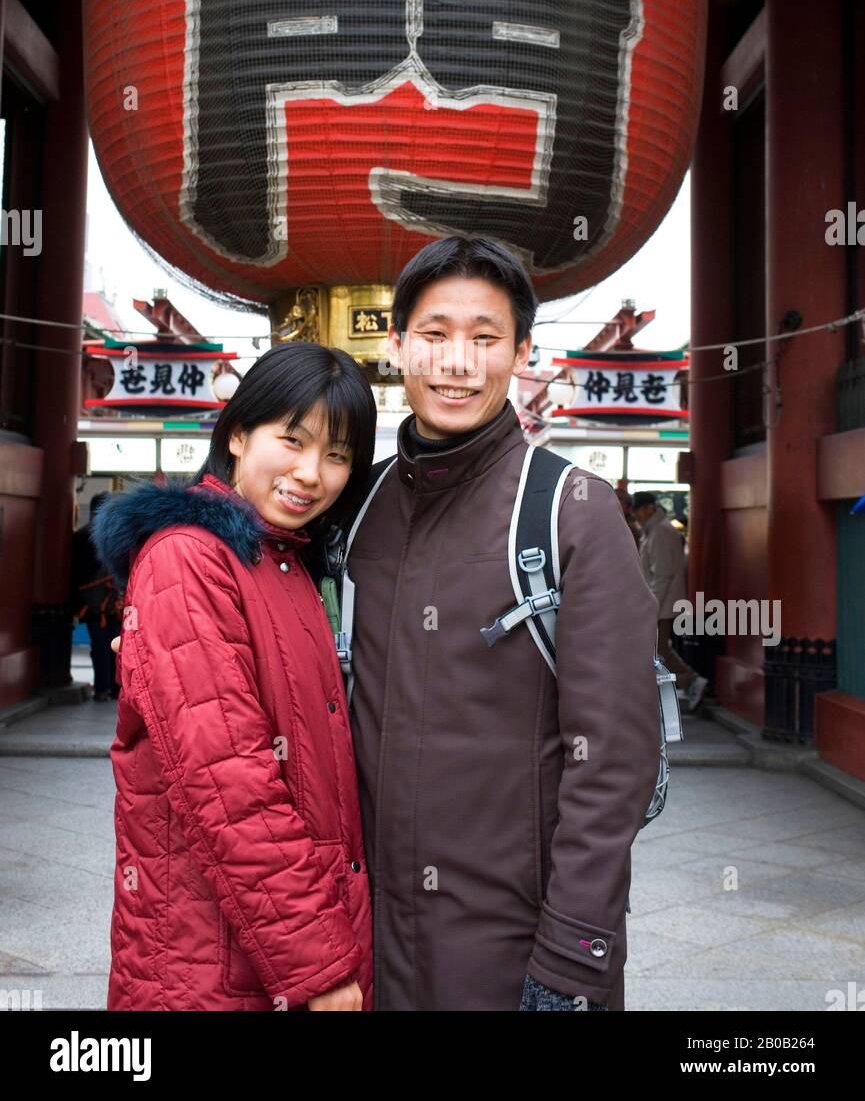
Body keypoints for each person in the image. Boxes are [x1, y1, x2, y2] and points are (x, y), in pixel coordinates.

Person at [342, 235, 660, 1011]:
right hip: (368, 949)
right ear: (396, 345)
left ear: (520, 351)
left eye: (485, 338)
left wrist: (570, 963)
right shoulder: (359, 507)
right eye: (434, 334)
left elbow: (614, 760)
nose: (457, 362)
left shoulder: (569, 509)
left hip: (515, 954)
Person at [92, 342, 376, 1011]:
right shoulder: (189, 559)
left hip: (262, 948)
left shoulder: (283, 560)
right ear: (238, 434)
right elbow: (231, 786)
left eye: (337, 456)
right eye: (293, 439)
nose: (311, 473)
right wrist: (320, 967)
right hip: (210, 962)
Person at [631, 491, 707, 714]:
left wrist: (650, 606)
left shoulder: (660, 532)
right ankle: (690, 681)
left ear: (648, 508)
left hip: (662, 605)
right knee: (659, 649)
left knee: (657, 652)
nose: (636, 516)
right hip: (662, 603)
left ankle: (690, 681)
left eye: (637, 510)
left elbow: (661, 575)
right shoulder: (655, 530)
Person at [70, 492, 121, 700]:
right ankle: (116, 689)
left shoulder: (80, 537)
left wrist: (75, 606)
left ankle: (102, 689)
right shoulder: (116, 536)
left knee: (99, 647)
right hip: (116, 602)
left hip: (91, 604)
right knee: (116, 648)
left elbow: (72, 575)